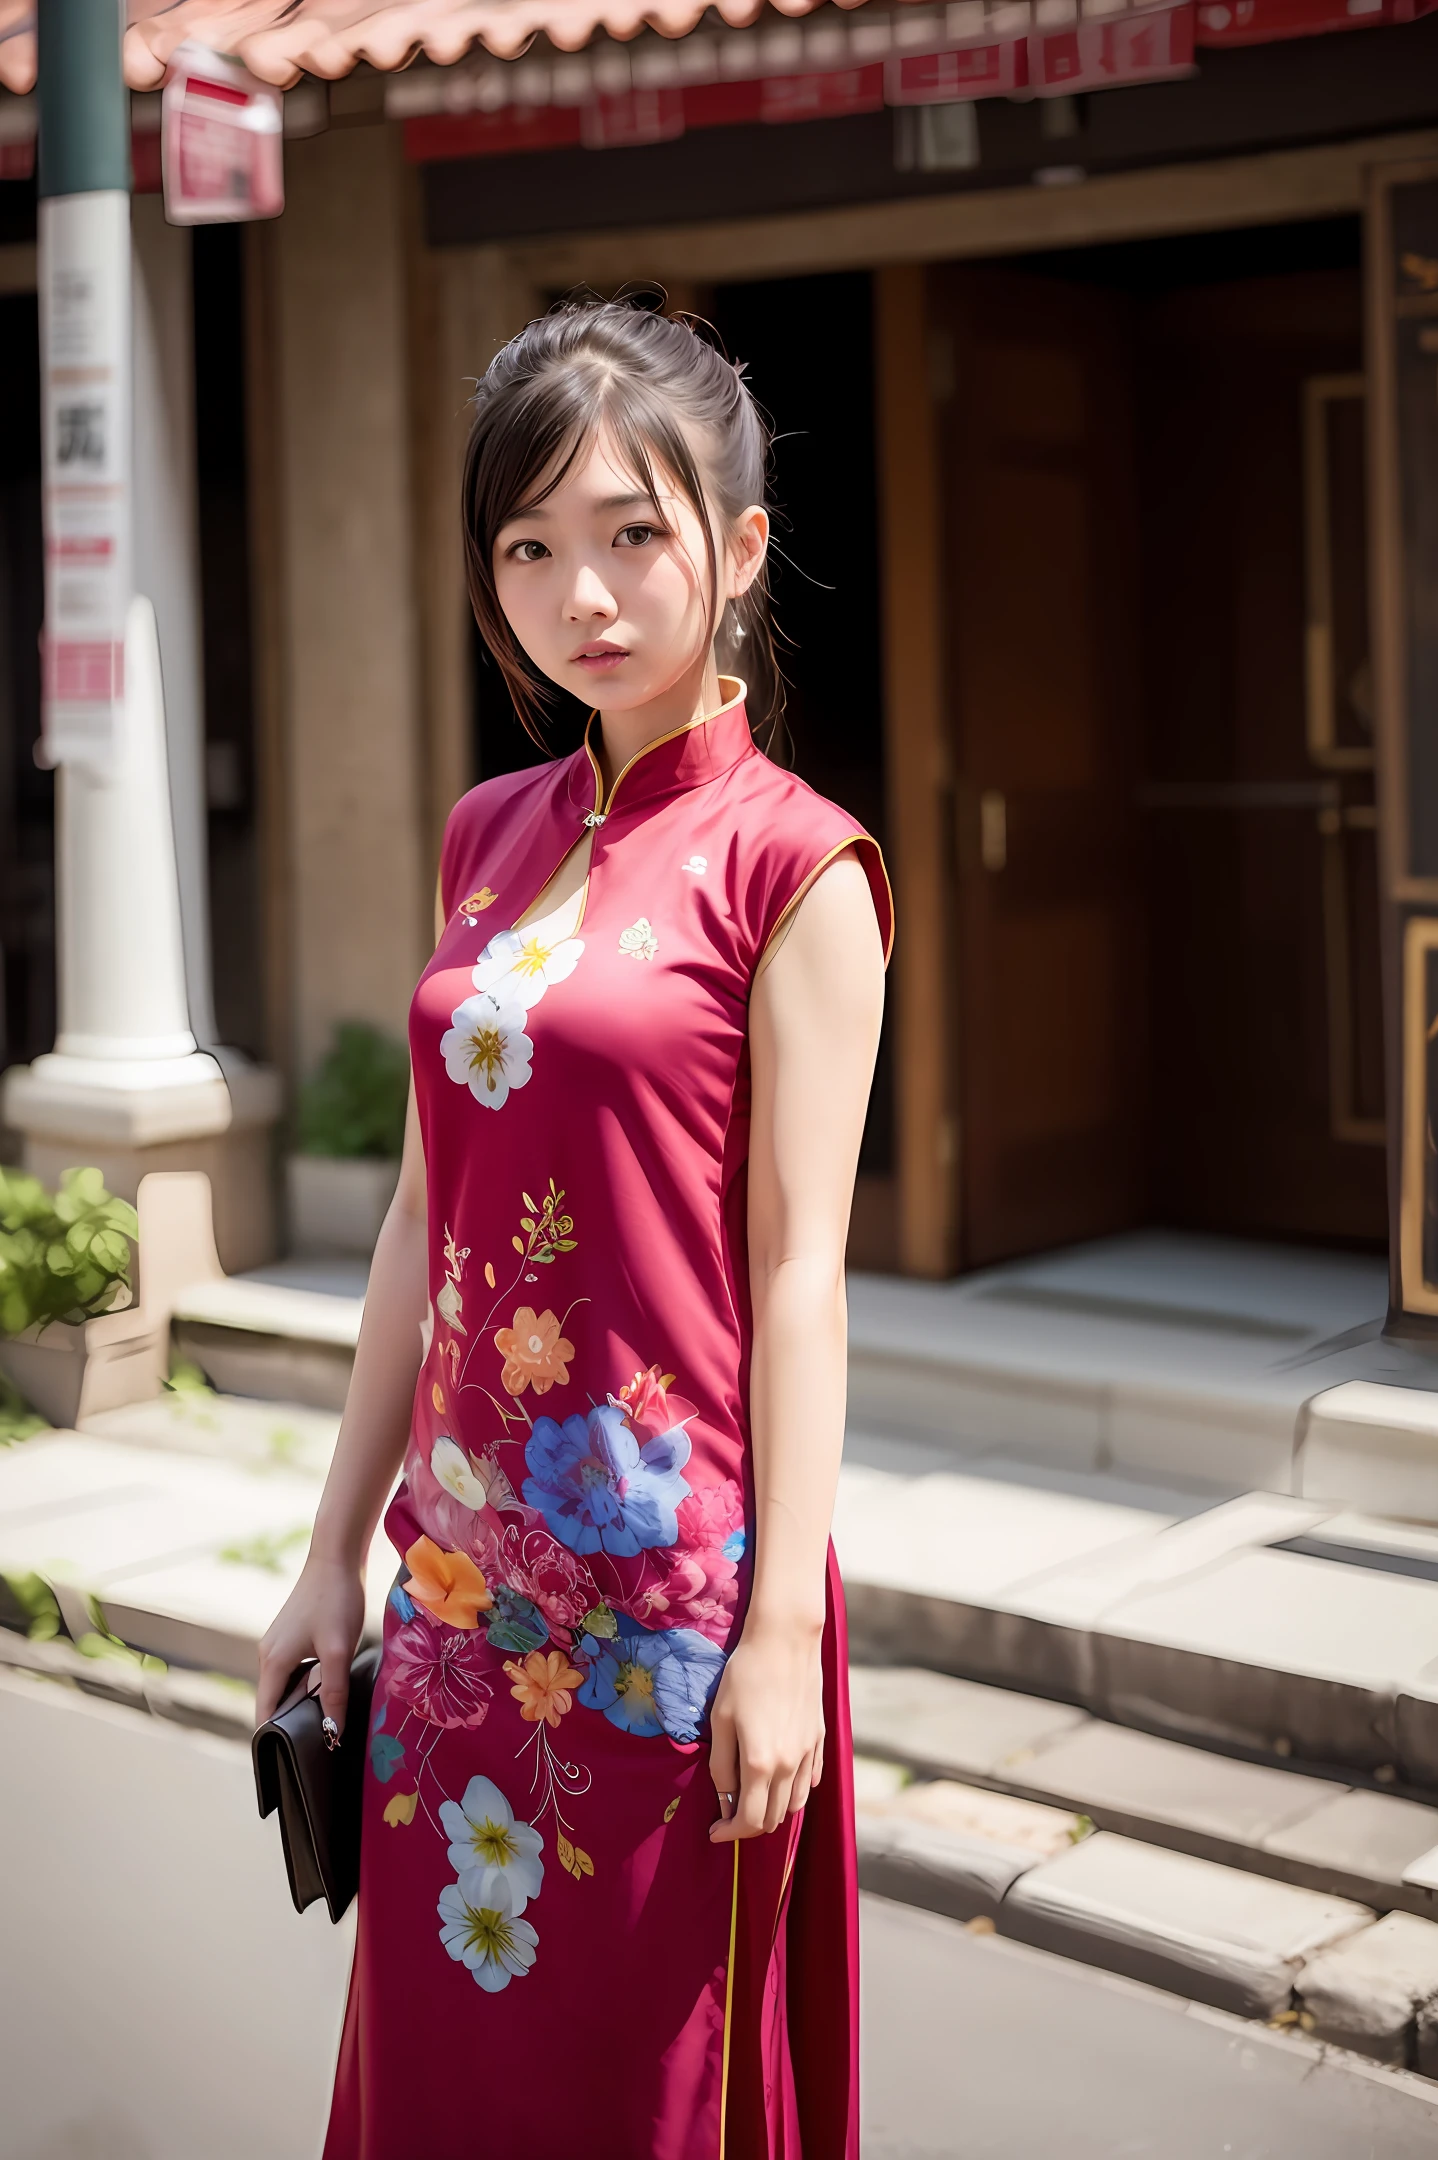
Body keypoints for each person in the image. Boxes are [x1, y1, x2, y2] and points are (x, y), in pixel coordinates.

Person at [255, 294, 891, 2159]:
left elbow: (801, 1276)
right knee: (449, 2078)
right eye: (528, 546)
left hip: (667, 1627)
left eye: (632, 533)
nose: (579, 595)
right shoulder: (485, 834)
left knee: (644, 2095)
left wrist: (780, 1629)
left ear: (741, 545)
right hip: (460, 1609)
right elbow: (419, 1230)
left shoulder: (799, 865)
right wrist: (331, 1559)